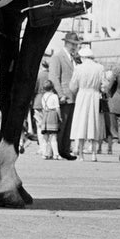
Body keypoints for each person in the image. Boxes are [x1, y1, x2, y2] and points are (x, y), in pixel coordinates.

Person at [47, 29, 81, 160]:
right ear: (67, 43)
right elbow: (54, 77)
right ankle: (56, 150)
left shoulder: (74, 58)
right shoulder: (57, 57)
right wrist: (60, 94)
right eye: (73, 44)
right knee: (60, 124)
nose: (75, 47)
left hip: (73, 96)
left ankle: (64, 150)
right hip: (64, 96)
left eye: (76, 44)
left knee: (69, 126)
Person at [69, 41, 106, 159]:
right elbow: (104, 86)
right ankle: (94, 153)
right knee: (93, 123)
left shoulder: (79, 68)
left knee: (81, 123)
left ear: (83, 57)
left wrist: (76, 91)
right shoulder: (100, 68)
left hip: (82, 95)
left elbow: (72, 86)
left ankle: (81, 154)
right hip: (94, 95)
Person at [36, 78, 62, 158]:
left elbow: (43, 108)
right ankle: (56, 154)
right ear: (52, 87)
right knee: (53, 137)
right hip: (53, 115)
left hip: (45, 115)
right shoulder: (54, 96)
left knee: (45, 138)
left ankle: (44, 154)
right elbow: (57, 108)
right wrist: (60, 117)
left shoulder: (43, 96)